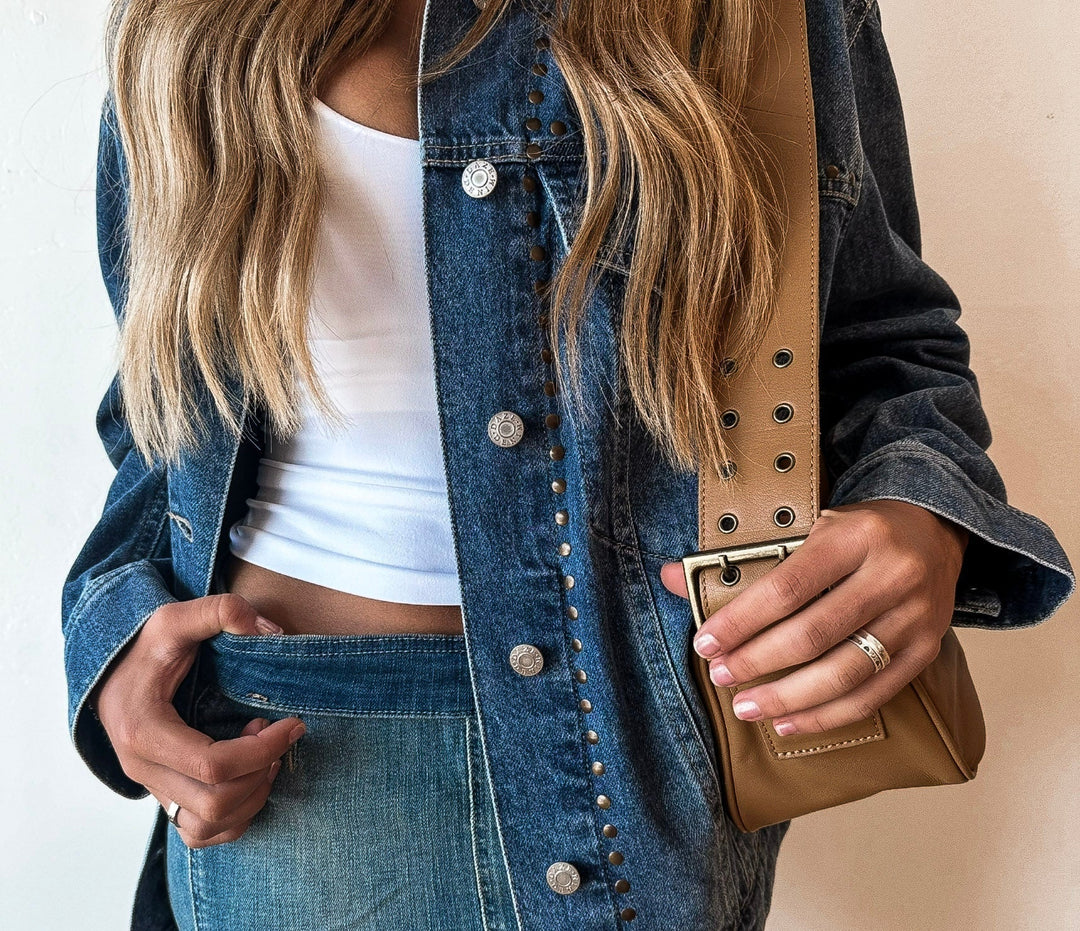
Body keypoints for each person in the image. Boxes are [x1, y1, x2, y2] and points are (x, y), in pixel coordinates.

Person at [62, 0, 1074, 929]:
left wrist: (918, 517)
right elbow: (166, 420)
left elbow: (882, 347)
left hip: (648, 763)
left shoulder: (752, 11)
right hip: (292, 766)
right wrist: (116, 647)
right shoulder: (193, 15)